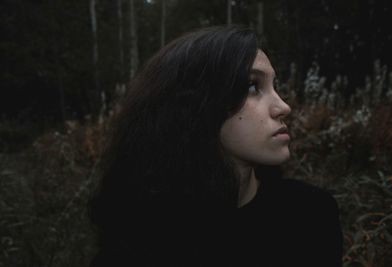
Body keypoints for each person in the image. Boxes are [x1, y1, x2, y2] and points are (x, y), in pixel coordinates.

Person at [88, 25, 343, 267]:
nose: (283, 106)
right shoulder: (139, 240)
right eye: (253, 86)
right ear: (196, 106)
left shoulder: (310, 216)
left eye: (274, 86)